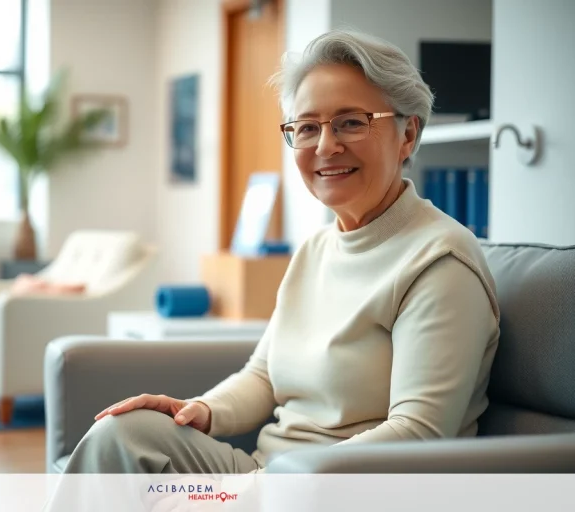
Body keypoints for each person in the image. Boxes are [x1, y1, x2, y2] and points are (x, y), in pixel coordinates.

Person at [63, 29, 501, 474]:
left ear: (407, 134)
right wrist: (201, 408)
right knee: (123, 432)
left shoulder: (440, 262)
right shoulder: (314, 249)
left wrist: (279, 484)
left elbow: (419, 433)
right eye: (308, 127)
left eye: (351, 122)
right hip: (269, 477)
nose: (326, 146)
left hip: (348, 490)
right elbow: (263, 375)